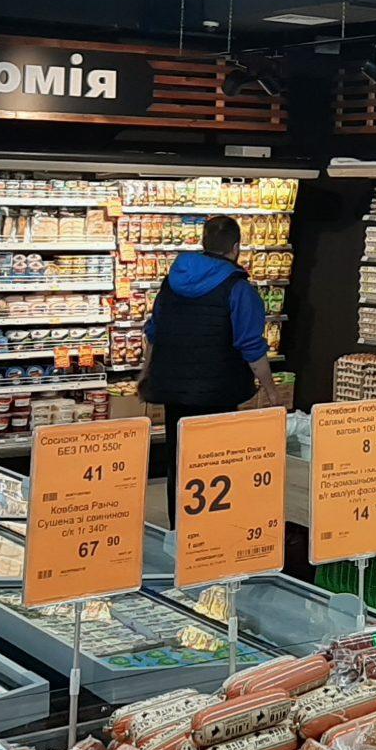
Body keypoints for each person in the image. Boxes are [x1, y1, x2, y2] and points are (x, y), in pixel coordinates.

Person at [138, 214, 282, 525]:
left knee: (179, 460)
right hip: (219, 391)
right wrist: (272, 391)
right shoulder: (238, 288)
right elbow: (251, 347)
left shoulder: (173, 281)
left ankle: (179, 528)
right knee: (216, 462)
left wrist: (145, 374)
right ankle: (210, 531)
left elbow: (154, 332)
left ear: (203, 242)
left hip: (173, 388)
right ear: (236, 247)